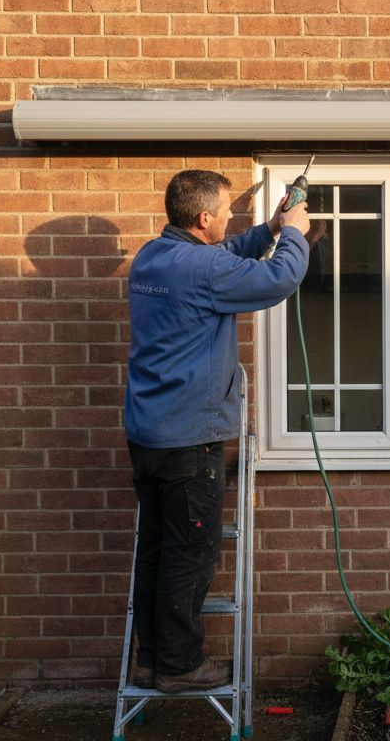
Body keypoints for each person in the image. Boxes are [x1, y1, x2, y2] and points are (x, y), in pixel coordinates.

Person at [123, 169, 321, 693]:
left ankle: (150, 661)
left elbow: (225, 255)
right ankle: (181, 667)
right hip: (191, 440)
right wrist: (296, 232)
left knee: (158, 552)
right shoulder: (204, 268)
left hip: (148, 436)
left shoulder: (151, 257)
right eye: (228, 211)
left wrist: (271, 227)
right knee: (190, 556)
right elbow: (277, 280)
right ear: (204, 218)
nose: (235, 217)